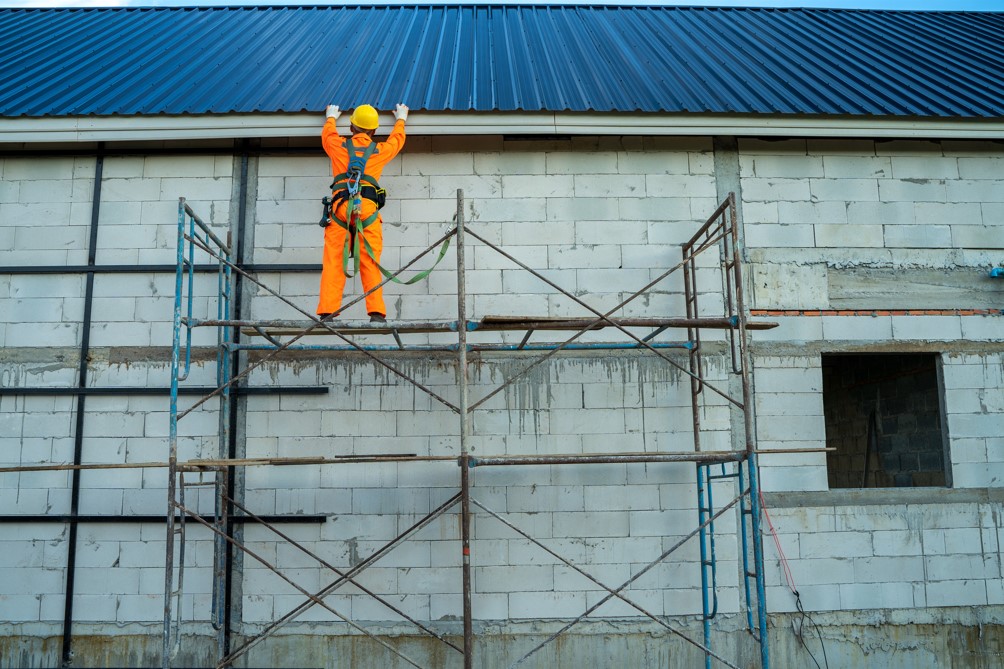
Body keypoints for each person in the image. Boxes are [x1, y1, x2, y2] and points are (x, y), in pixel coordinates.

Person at [317, 103, 409, 323]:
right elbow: (397, 141)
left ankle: (327, 312)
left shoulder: (338, 145)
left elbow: (327, 135)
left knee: (334, 261)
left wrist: (330, 117)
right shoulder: (379, 150)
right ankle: (377, 313)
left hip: (340, 209)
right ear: (374, 131)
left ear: (351, 128)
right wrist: (401, 119)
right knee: (370, 260)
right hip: (366, 210)